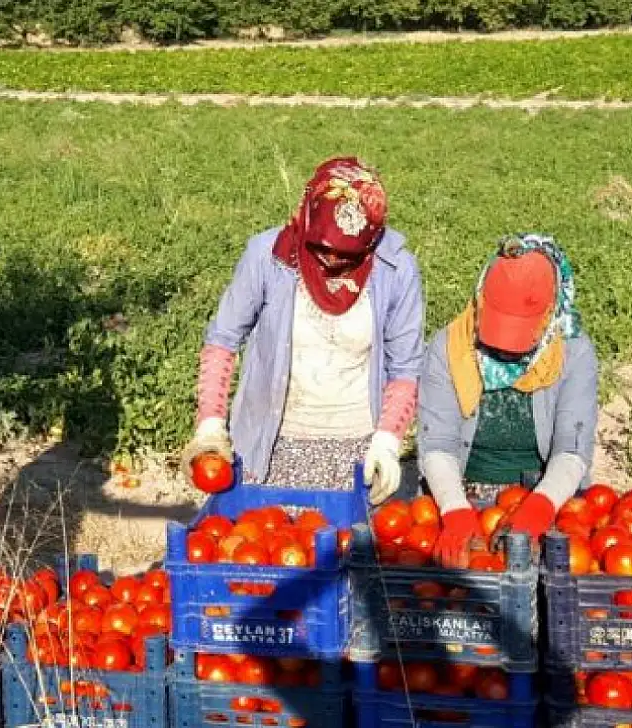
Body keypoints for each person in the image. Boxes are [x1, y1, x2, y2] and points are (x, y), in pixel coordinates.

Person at [181, 158, 425, 504]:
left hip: (354, 448)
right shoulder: (268, 256)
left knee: (344, 550)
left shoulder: (396, 269)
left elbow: (406, 367)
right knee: (261, 542)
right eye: (323, 247)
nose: (332, 259)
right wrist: (210, 424)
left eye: (347, 254)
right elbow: (223, 339)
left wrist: (387, 441)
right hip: (269, 442)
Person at [418, 234, 598, 566]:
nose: (503, 350)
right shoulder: (449, 346)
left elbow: (572, 449)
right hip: (459, 495)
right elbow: (438, 443)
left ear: (549, 316)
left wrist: (540, 506)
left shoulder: (573, 352)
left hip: (543, 494)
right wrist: (455, 509)